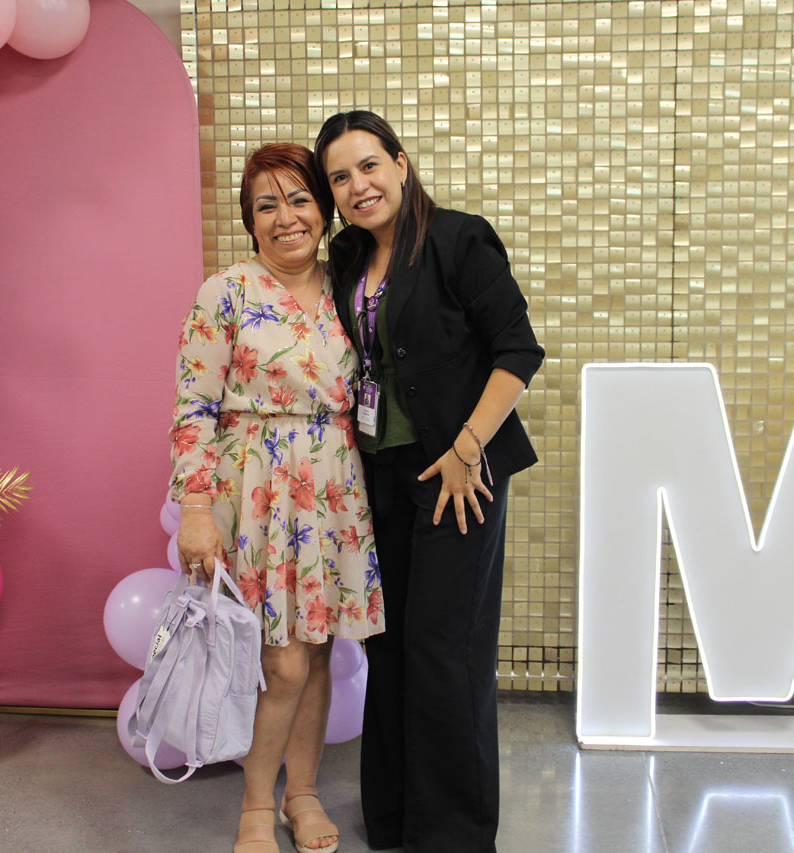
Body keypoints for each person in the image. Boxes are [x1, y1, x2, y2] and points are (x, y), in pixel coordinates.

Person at [314, 111, 545, 852]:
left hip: (458, 475)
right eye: (340, 177)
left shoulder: (457, 239)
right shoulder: (346, 258)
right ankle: (394, 818)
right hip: (382, 476)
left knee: (446, 650)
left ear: (401, 164)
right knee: (389, 646)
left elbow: (518, 349)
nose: (358, 186)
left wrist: (467, 447)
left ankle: (452, 835)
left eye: (369, 166)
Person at [170, 143, 384, 853]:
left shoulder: (352, 286)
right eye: (267, 205)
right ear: (250, 221)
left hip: (333, 486)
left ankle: (303, 794)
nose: (286, 217)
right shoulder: (226, 291)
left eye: (298, 199)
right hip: (257, 490)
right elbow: (194, 406)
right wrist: (195, 509)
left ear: (323, 210)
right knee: (281, 660)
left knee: (316, 653)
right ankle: (257, 804)